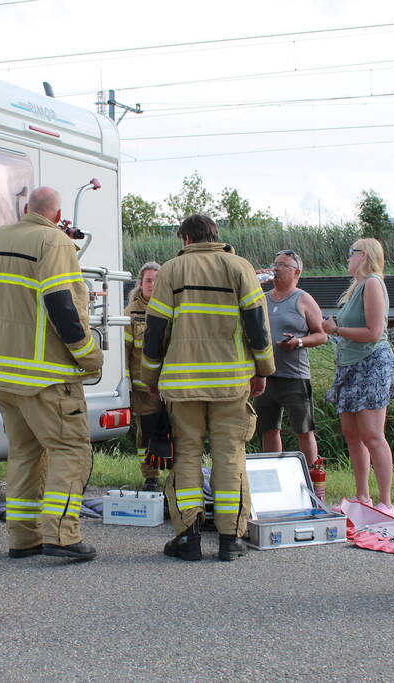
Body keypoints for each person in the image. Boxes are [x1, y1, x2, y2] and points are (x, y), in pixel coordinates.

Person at [0, 186, 103, 562]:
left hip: (4, 373)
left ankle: (23, 537)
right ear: (57, 212)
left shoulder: (0, 238)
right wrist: (88, 355)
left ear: (27, 208)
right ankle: (62, 536)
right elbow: (60, 303)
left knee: (25, 454)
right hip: (46, 374)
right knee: (70, 450)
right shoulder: (55, 242)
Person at [141, 214, 275, 562]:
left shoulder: (171, 269)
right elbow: (257, 325)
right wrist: (263, 369)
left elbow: (156, 329)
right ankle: (231, 540)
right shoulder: (240, 267)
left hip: (183, 384)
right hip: (230, 383)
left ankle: (188, 537)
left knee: (186, 454)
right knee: (230, 455)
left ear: (186, 238)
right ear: (216, 236)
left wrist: (150, 378)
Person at [322, 238, 394, 516]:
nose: (347, 259)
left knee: (372, 434)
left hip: (371, 363)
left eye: (350, 253)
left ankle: (385, 502)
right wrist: (332, 327)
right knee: (352, 434)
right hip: (350, 365)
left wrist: (336, 331)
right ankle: (362, 496)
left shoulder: (373, 283)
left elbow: (374, 332)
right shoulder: (357, 287)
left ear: (363, 255)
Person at [253, 250, 327, 467]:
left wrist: (299, 342)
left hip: (294, 376)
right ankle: (274, 474)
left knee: (304, 430)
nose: (276, 269)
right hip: (266, 376)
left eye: (283, 265)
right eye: (275, 264)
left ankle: (314, 480)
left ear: (296, 271)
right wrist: (252, 281)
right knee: (268, 429)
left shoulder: (302, 299)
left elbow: (321, 335)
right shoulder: (261, 299)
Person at [124, 261, 165, 491]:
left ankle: (177, 472)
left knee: (174, 429)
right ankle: (151, 476)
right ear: (140, 284)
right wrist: (126, 383)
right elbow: (124, 352)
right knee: (147, 431)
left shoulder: (170, 307)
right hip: (142, 387)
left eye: (157, 280)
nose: (152, 285)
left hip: (169, 385)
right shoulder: (131, 313)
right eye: (148, 280)